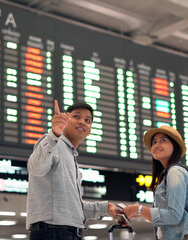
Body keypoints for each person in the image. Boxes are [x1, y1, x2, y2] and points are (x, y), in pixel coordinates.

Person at [26, 100, 119, 240]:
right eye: (76, 116)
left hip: (68, 232)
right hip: (53, 232)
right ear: (65, 119)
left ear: (90, 130)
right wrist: (54, 134)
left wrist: (105, 208)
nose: (82, 121)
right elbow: (35, 168)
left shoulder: (70, 155)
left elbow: (72, 208)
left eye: (87, 120)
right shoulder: (52, 143)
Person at [122, 125, 188, 240]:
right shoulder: (167, 174)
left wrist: (139, 209)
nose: (156, 145)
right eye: (154, 142)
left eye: (163, 140)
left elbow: (174, 216)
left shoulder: (175, 172)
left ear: (175, 146)